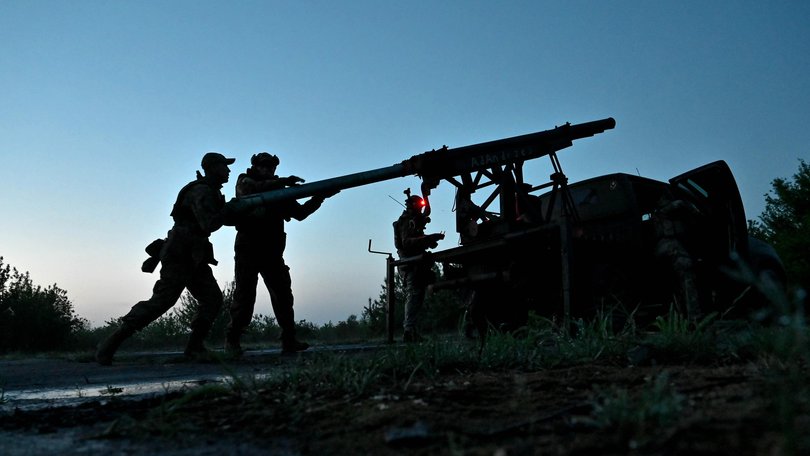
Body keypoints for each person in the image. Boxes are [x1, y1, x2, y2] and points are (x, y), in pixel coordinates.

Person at [96, 152, 236, 365]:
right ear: (213, 167)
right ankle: (109, 345)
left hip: (193, 253)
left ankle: (194, 348)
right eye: (224, 166)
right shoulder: (202, 191)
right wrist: (230, 210)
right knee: (163, 301)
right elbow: (209, 224)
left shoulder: (208, 191)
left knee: (212, 299)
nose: (228, 171)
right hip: (181, 252)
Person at [225, 152, 334, 355]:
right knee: (244, 296)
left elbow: (299, 213)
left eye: (272, 167)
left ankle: (289, 340)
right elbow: (252, 189)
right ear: (255, 167)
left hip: (272, 252)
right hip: (248, 249)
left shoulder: (279, 191)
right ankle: (232, 341)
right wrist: (283, 182)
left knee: (283, 295)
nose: (269, 170)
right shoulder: (245, 181)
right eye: (264, 166)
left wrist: (319, 196)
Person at [393, 190, 445, 342]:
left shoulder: (412, 220)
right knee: (414, 295)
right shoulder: (406, 221)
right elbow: (407, 242)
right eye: (420, 207)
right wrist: (428, 238)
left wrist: (429, 240)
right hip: (410, 264)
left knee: (418, 297)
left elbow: (417, 239)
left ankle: (411, 331)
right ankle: (408, 331)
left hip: (416, 262)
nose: (422, 211)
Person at [652, 189, 702, 321]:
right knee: (687, 276)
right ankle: (694, 317)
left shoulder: (659, 213)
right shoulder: (665, 210)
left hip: (662, 248)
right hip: (670, 245)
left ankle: (678, 317)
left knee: (674, 284)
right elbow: (680, 205)